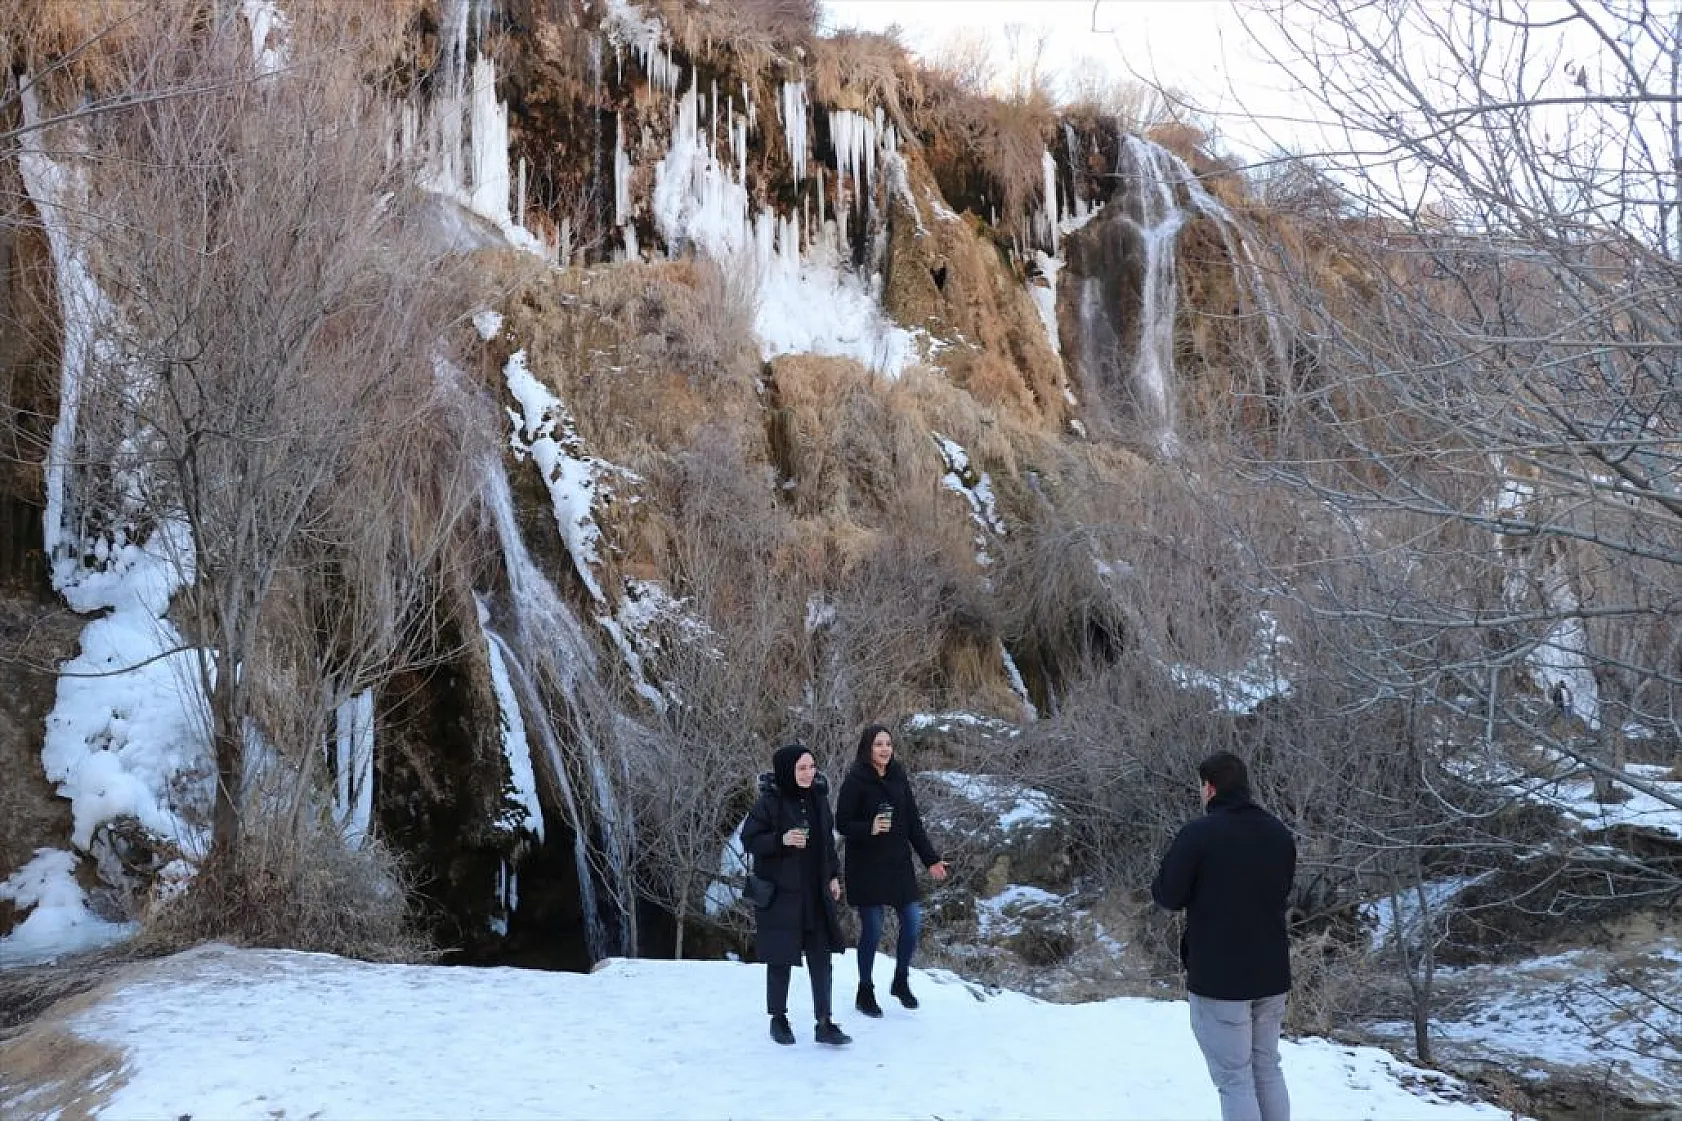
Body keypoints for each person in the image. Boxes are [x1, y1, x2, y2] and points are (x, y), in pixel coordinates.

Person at [1150, 752, 1297, 1121]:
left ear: (1210, 788)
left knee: (1235, 1080)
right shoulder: (1278, 833)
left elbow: (1168, 895)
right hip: (1271, 972)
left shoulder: (1199, 835)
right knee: (1267, 1068)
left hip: (1220, 978)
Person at [740, 743, 851, 1046]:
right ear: (787, 770)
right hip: (781, 894)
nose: (808, 773)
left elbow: (827, 844)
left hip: (815, 892)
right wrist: (782, 839)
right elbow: (749, 839)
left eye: (811, 767)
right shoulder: (769, 801)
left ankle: (824, 1022)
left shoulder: (819, 798)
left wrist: (833, 876)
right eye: (801, 768)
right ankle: (778, 1019)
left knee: (821, 956)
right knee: (780, 958)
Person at [835, 723, 948, 1017]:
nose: (885, 749)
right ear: (867, 748)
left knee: (912, 920)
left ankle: (900, 980)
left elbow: (913, 822)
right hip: (866, 865)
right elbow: (842, 823)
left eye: (888, 743)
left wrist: (931, 859)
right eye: (878, 744)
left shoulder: (898, 775)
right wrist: (869, 827)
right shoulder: (856, 780)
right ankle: (865, 990)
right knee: (872, 929)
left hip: (898, 863)